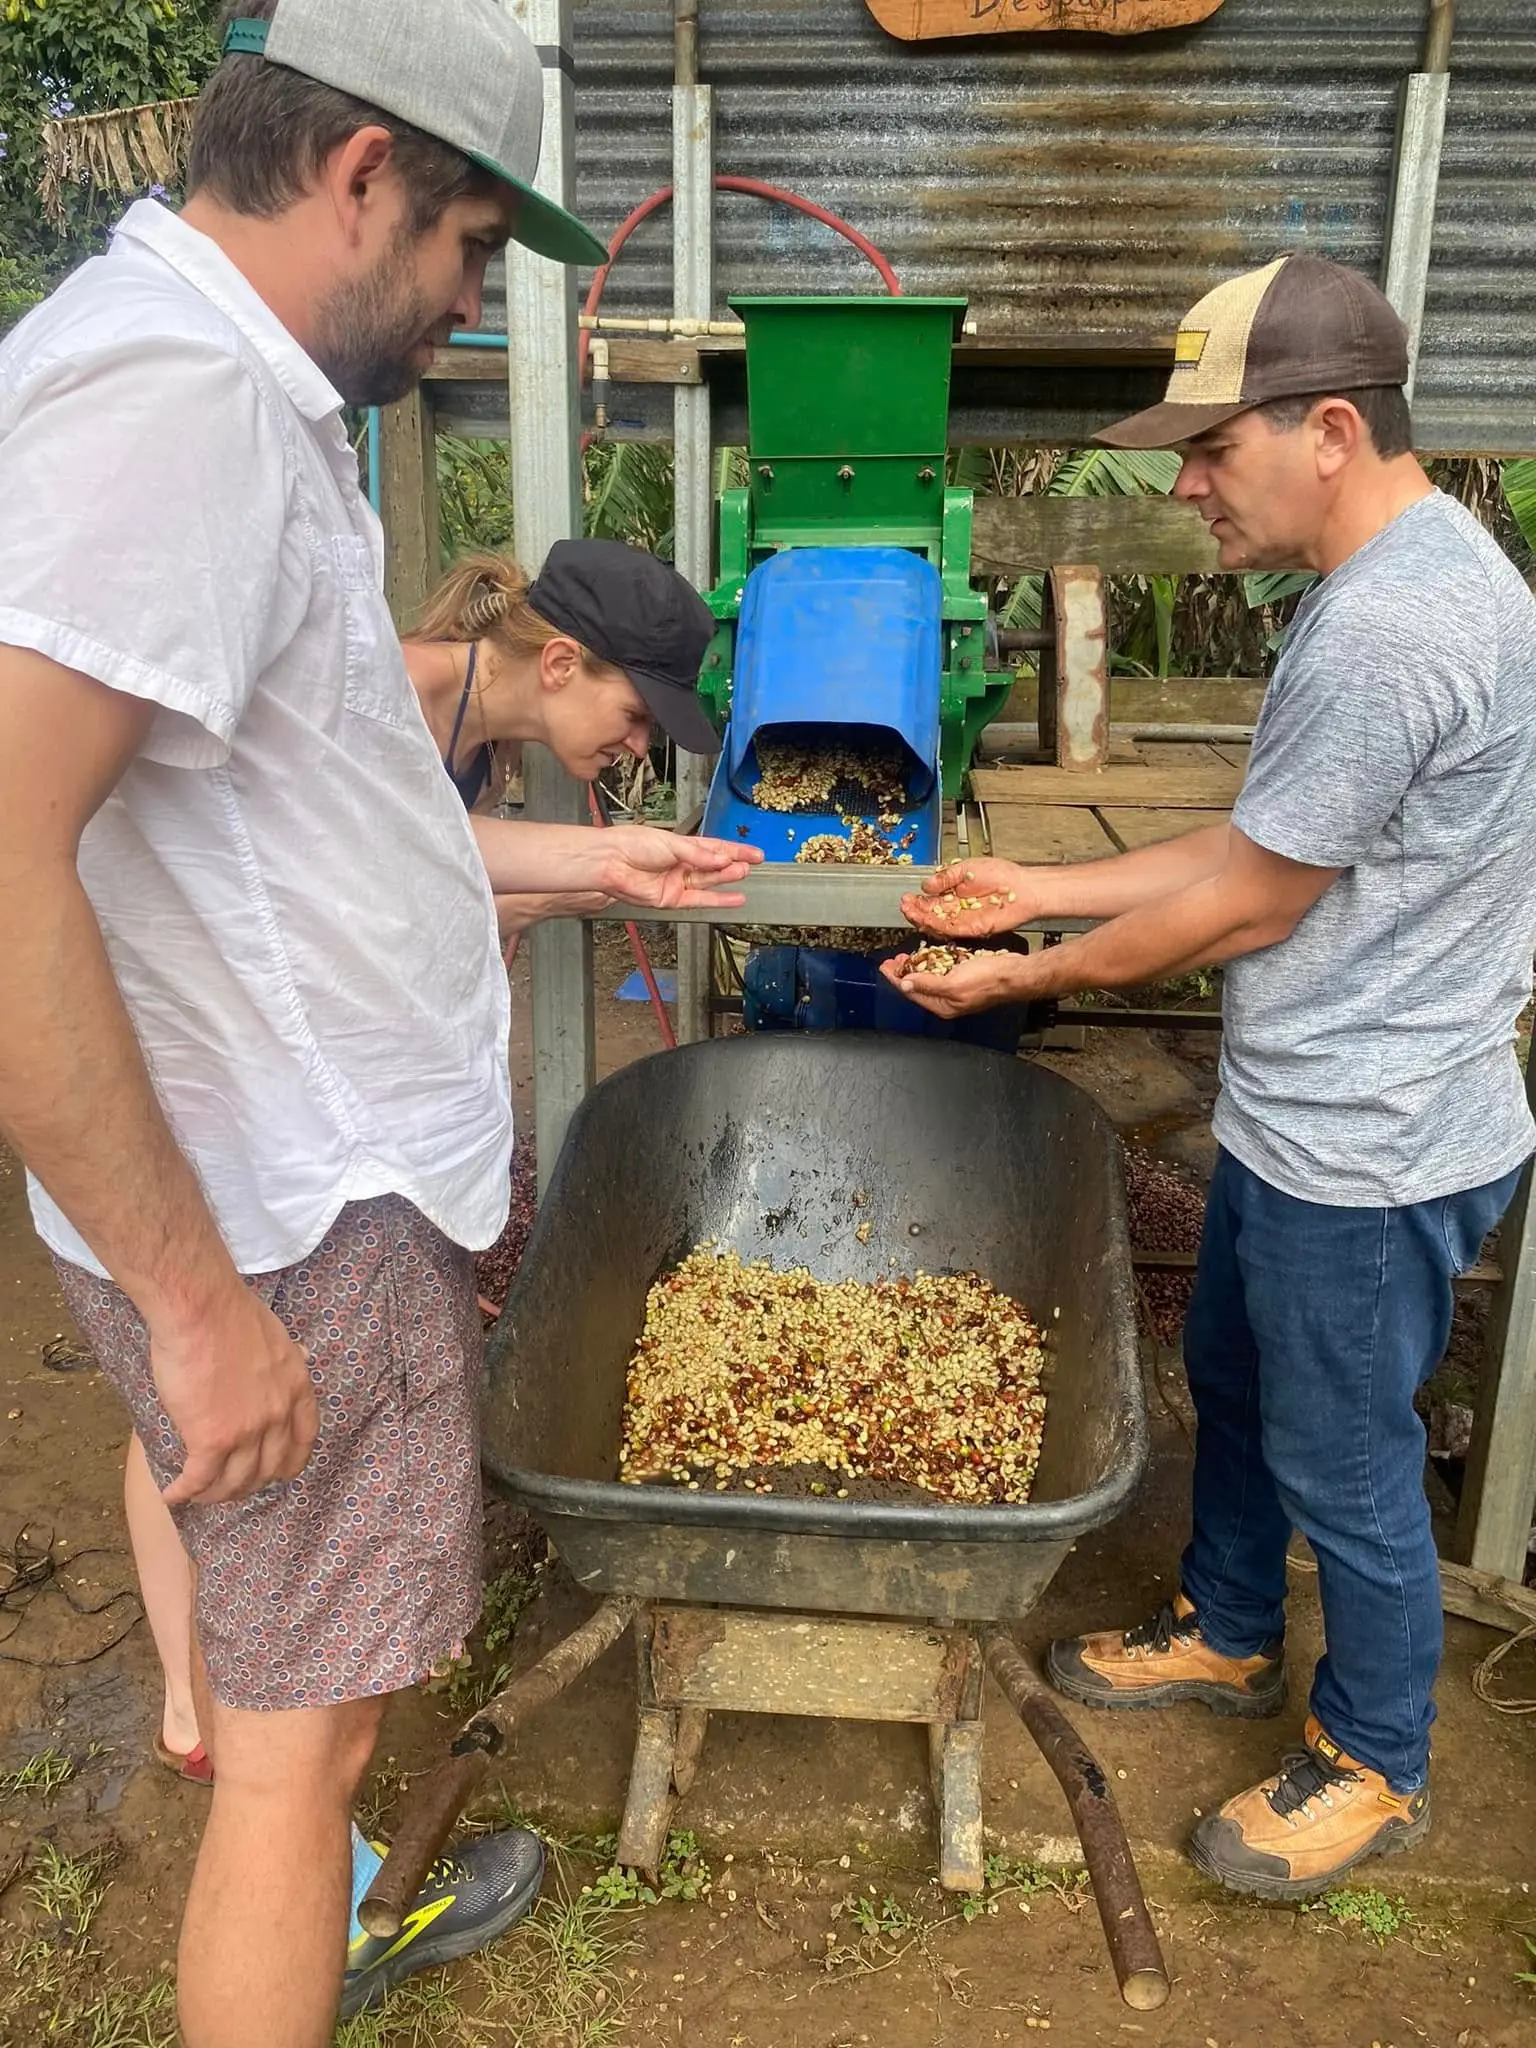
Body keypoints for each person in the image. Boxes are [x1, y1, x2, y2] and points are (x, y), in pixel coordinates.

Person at [0, 2, 757, 2042]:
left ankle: (336, 1898)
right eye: (464, 256)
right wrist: (196, 1294)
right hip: (285, 1226)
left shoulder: (242, 401)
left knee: (301, 1741)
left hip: (319, 1200)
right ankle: (302, 1934)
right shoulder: (171, 406)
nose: (462, 307)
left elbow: (303, 828)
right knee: (287, 1762)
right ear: (358, 173)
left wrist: (605, 872)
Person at [887, 253, 1536, 1899]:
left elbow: (1247, 901)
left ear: (1329, 427)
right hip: (1308, 1108)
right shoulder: (1398, 577)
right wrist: (1037, 884)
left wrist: (1024, 974)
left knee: (1350, 1460)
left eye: (1210, 447)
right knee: (1239, 1378)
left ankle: (1379, 1755)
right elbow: (1267, 838)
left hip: (1369, 1142)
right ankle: (1233, 1627)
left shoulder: (1399, 624)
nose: (1182, 484)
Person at [132, 536, 717, 1783]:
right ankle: (204, 1702)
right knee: (187, 1401)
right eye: (633, 711)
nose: (636, 743)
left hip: (339, 1095)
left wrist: (611, 864)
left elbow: (442, 877)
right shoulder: (370, 696)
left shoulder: (484, 738)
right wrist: (602, 869)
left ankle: (249, 1692)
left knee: (255, 1398)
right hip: (242, 1092)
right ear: (559, 660)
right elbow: (355, 889)